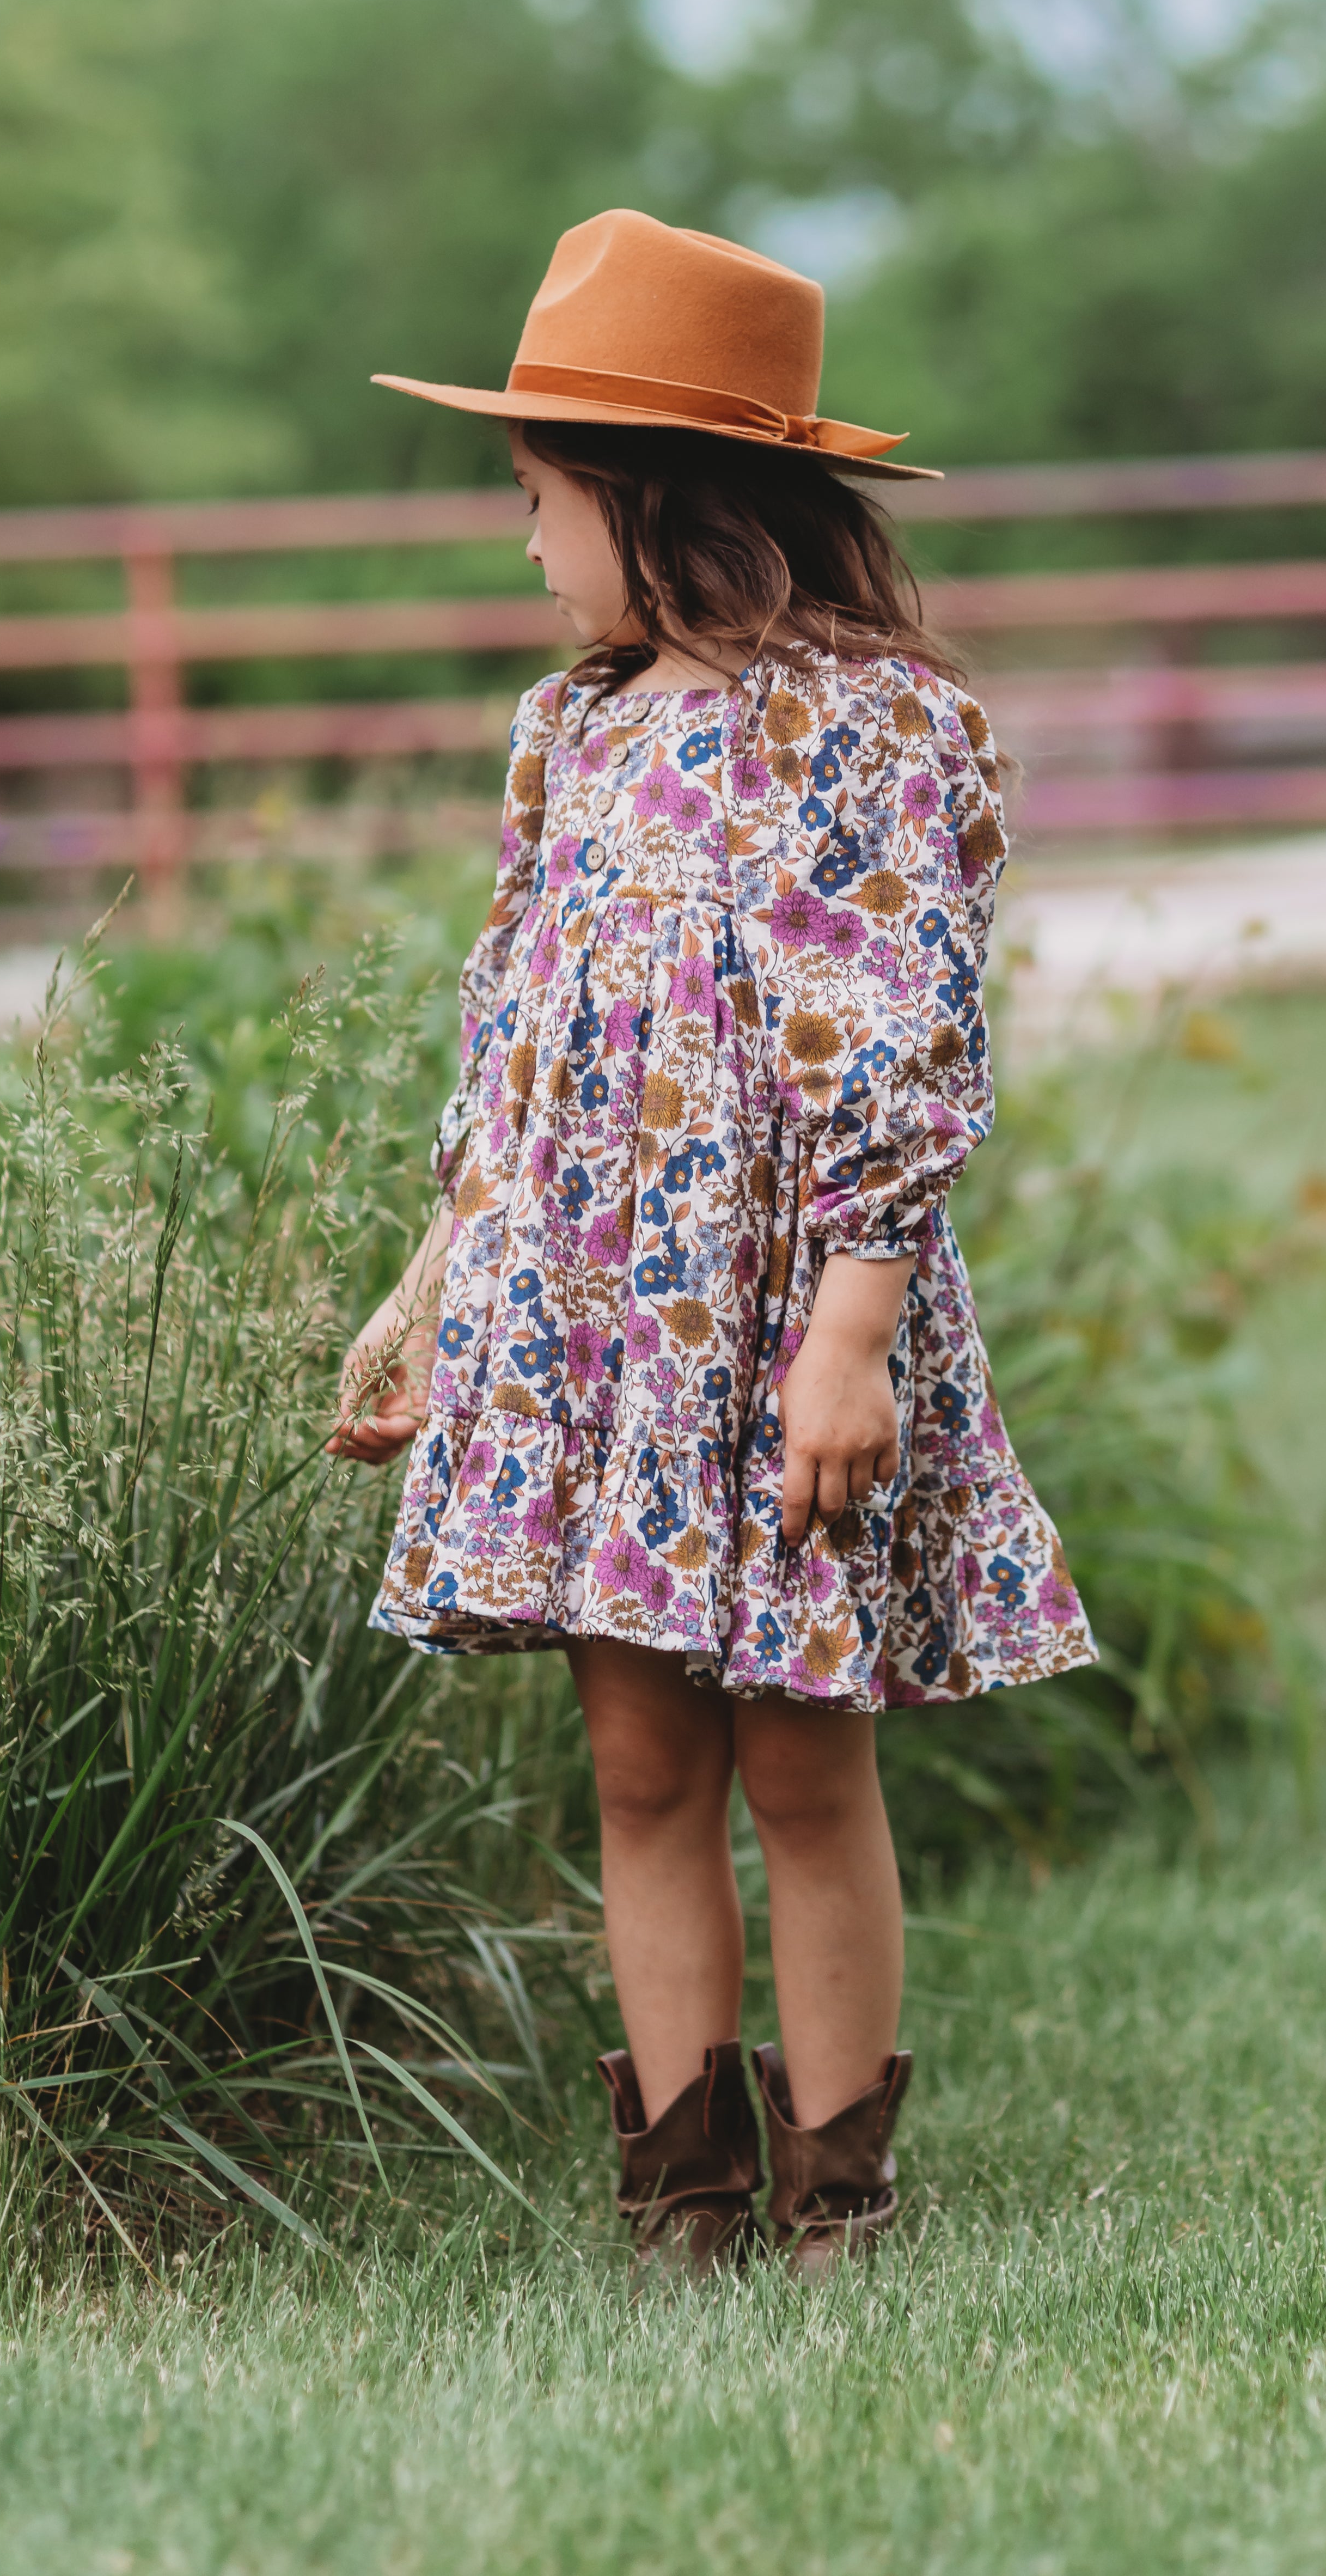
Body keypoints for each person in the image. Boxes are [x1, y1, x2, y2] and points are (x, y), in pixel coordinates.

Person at [331, 209, 1094, 2272]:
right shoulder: (569, 737)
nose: (525, 543)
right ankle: (682, 2194)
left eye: (538, 498)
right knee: (640, 1764)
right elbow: (520, 1043)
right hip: (590, 1321)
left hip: (779, 1328)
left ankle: (841, 2185)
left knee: (799, 1762)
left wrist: (850, 1335)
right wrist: (438, 1291)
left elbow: (905, 1048)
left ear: (657, 499)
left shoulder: (875, 728)